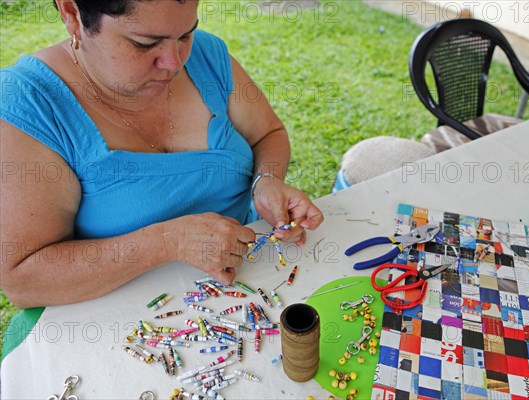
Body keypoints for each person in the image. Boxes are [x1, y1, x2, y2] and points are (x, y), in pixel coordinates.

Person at [0, 0, 324, 309]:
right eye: (144, 43)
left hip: (248, 288)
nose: (174, 62)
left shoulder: (207, 56)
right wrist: (169, 242)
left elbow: (268, 134)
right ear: (71, 12)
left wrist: (265, 181)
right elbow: (22, 282)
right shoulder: (30, 104)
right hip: (118, 325)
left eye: (185, 34)